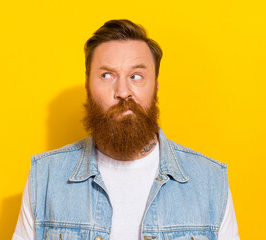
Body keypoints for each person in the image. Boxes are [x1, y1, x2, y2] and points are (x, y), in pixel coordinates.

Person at [12, 19, 240, 240]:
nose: (122, 91)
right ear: (87, 84)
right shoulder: (45, 177)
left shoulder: (210, 182)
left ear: (156, 85)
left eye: (136, 76)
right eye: (106, 75)